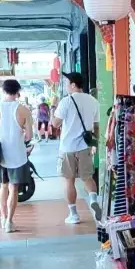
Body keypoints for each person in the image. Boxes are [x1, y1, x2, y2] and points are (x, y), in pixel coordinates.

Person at [51, 72, 101, 225]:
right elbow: (96, 127)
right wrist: (94, 145)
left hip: (68, 147)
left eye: (67, 83)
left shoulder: (66, 101)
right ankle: (94, 201)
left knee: (69, 180)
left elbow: (55, 124)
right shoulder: (93, 101)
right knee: (87, 178)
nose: (66, 86)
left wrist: (53, 107)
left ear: (73, 85)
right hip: (85, 146)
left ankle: (73, 215)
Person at [0, 78, 33, 233]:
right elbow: (29, 136)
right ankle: (9, 222)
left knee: (3, 186)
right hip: (18, 155)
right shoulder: (24, 110)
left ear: (3, 91)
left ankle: (3, 217)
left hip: (1, 155)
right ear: (18, 91)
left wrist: (2, 136)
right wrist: (19, 136)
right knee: (14, 188)